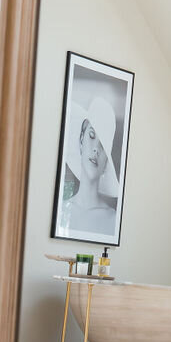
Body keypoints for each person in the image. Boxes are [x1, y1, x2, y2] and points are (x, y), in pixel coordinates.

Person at [58, 94, 119, 238]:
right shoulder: (61, 210)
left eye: (103, 145)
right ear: (81, 140)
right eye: (92, 136)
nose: (96, 149)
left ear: (106, 163)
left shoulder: (112, 220)